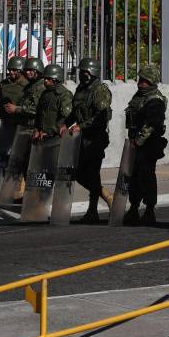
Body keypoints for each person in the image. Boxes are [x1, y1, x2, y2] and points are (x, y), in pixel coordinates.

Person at [64, 57, 113, 224]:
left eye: (85, 72)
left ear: (92, 73)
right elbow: (74, 112)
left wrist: (82, 126)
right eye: (81, 72)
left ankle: (93, 210)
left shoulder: (100, 90)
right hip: (80, 139)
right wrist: (64, 124)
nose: (82, 75)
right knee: (77, 173)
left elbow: (101, 117)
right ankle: (105, 194)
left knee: (92, 173)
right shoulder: (81, 89)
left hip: (95, 138)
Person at [123, 65, 167, 226]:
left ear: (151, 82)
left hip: (148, 145)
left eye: (144, 81)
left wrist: (139, 140)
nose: (140, 84)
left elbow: (151, 124)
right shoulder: (140, 96)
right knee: (133, 176)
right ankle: (134, 208)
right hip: (135, 143)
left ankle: (149, 210)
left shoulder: (155, 99)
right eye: (139, 80)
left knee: (147, 176)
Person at [3, 56, 46, 199]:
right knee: (24, 164)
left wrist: (17, 109)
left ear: (37, 71)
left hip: (35, 128)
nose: (27, 73)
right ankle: (28, 196)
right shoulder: (30, 86)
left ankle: (36, 197)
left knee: (32, 166)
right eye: (26, 70)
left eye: (30, 70)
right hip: (25, 128)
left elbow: (37, 109)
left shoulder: (40, 86)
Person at [33, 63, 73, 141]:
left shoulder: (64, 94)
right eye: (44, 78)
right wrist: (37, 129)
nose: (45, 81)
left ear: (55, 79)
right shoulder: (45, 93)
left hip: (55, 136)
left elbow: (65, 117)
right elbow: (39, 113)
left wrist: (52, 131)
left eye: (48, 78)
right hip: (42, 135)